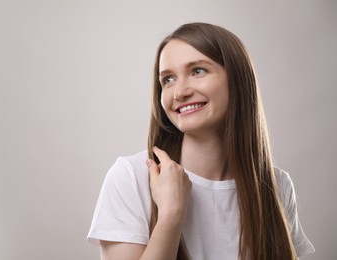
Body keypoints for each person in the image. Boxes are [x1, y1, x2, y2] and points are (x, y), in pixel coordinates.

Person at [87, 23, 315, 260]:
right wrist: (171, 214)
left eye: (197, 71)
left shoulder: (276, 185)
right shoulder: (131, 177)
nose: (179, 92)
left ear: (237, 79)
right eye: (168, 79)